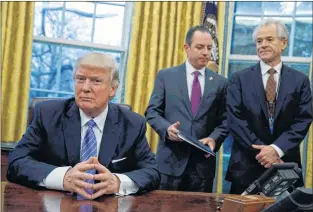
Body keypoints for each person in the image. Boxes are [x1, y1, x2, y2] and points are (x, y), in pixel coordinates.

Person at [7, 52, 160, 200]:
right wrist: (63, 178)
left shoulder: (133, 124)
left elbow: (152, 172)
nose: (85, 88)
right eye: (80, 79)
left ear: (113, 89)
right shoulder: (47, 114)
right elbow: (16, 162)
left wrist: (117, 182)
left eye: (96, 81)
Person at [226, 19, 313, 194]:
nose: (263, 45)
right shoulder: (239, 79)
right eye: (259, 41)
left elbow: (302, 120)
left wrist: (276, 150)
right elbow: (235, 121)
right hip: (246, 168)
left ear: (284, 43)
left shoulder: (300, 80)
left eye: (269, 39)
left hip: (285, 167)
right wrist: (265, 154)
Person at [145, 25, 228, 192]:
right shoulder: (166, 76)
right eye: (200, 47)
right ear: (186, 48)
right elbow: (152, 112)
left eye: (209, 48)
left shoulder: (221, 82)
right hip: (170, 164)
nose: (206, 52)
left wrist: (214, 138)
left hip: (202, 167)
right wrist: (166, 129)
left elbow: (226, 120)